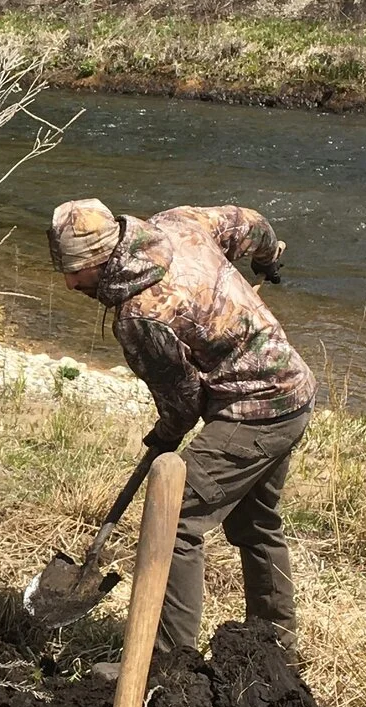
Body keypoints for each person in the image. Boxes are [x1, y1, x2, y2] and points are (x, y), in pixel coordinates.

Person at [50, 197, 314, 663]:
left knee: (172, 519)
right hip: (293, 389)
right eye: (64, 269)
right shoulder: (178, 224)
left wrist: (167, 432)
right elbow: (249, 222)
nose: (70, 283)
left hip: (254, 409)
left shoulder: (140, 316)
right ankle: (276, 647)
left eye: (77, 270)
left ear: (105, 257)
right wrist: (268, 256)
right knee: (254, 522)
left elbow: (184, 401)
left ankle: (169, 662)